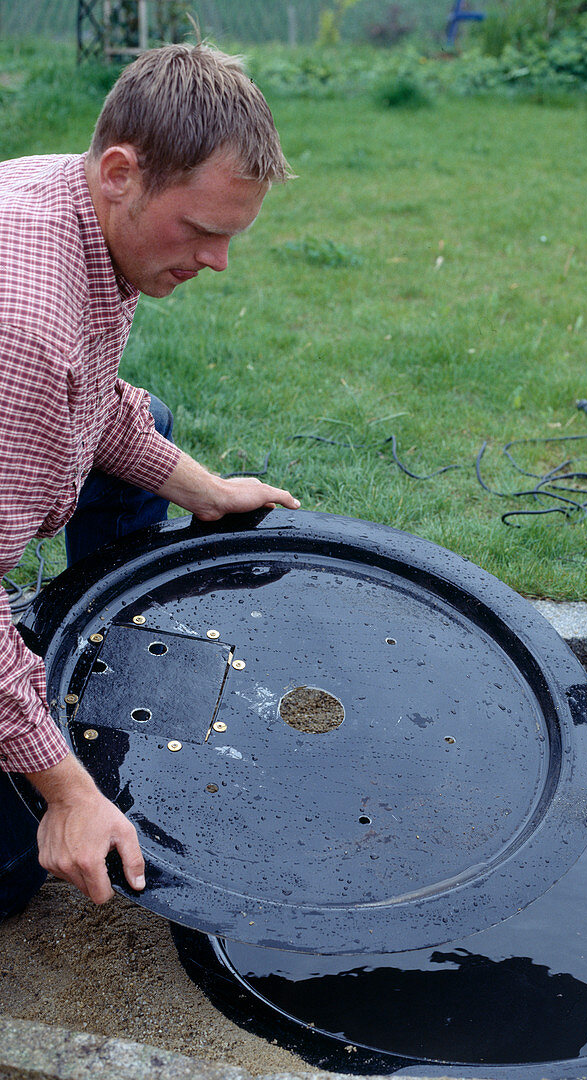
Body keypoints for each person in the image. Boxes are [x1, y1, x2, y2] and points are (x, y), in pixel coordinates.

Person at [0, 42, 300, 920]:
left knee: (154, 422)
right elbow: (49, 374)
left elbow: (96, 400)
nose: (218, 263)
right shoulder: (25, 327)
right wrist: (64, 792)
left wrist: (203, 491)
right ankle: (38, 701)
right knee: (18, 867)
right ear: (125, 171)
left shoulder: (78, 199)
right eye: (203, 232)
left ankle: (76, 662)